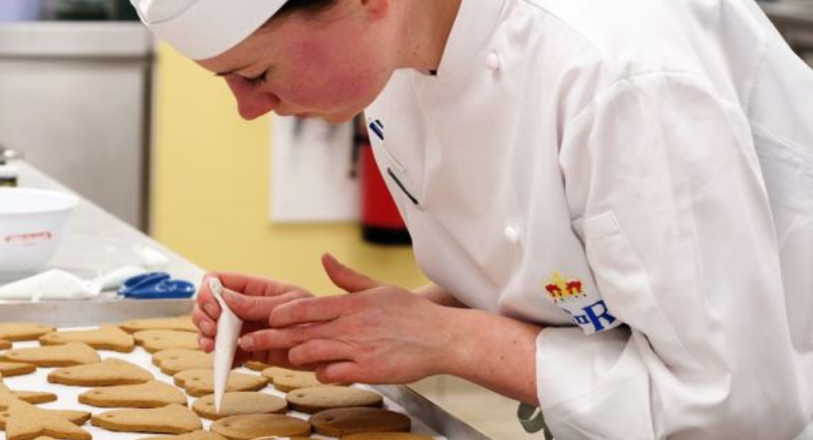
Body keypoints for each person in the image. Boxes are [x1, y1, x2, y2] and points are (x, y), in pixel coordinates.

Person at [129, 0, 813, 438]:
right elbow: (561, 260)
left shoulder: (619, 74)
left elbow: (729, 407)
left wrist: (450, 341)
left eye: (255, 74)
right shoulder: (400, 54)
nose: (248, 110)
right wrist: (357, 328)